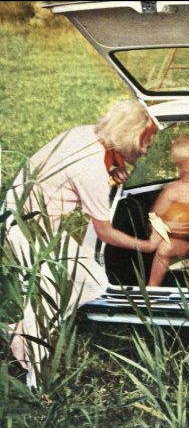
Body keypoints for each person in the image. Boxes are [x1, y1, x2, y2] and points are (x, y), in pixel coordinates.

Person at [4, 100, 159, 386]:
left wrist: (115, 169)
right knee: (61, 292)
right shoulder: (93, 170)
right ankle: (35, 380)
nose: (147, 150)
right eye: (145, 143)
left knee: (85, 282)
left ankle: (21, 329)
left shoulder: (85, 133)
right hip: (27, 231)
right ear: (128, 137)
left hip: (19, 217)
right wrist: (147, 246)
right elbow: (105, 232)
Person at [147, 136, 189, 287]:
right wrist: (167, 226)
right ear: (186, 166)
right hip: (182, 243)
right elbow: (154, 218)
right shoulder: (173, 190)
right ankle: (152, 287)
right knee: (164, 247)